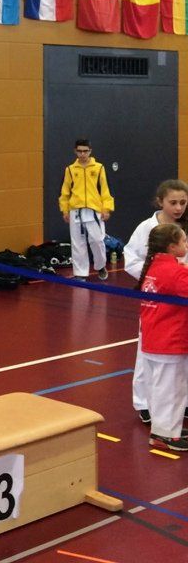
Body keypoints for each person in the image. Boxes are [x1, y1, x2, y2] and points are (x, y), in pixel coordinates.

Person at [123, 179, 188, 425]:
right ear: (160, 202)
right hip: (157, 300)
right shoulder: (147, 228)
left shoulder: (185, 227)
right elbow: (131, 258)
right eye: (173, 202)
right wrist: (157, 278)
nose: (178, 208)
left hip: (182, 299)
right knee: (147, 353)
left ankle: (182, 402)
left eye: (183, 202)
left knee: (182, 356)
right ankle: (144, 402)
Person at [135, 223, 188, 452]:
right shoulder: (175, 272)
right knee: (172, 390)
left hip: (153, 339)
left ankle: (166, 428)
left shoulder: (155, 267)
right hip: (170, 341)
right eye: (184, 241)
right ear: (172, 246)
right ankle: (164, 435)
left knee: (159, 388)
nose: (187, 245)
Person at [58, 139, 114, 280]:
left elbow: (105, 189)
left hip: (94, 210)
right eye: (79, 151)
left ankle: (100, 266)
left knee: (97, 240)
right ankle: (80, 273)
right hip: (75, 211)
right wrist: (65, 210)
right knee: (78, 244)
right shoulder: (70, 169)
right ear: (75, 151)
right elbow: (65, 191)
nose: (82, 154)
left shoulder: (99, 168)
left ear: (90, 151)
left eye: (85, 151)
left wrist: (106, 208)